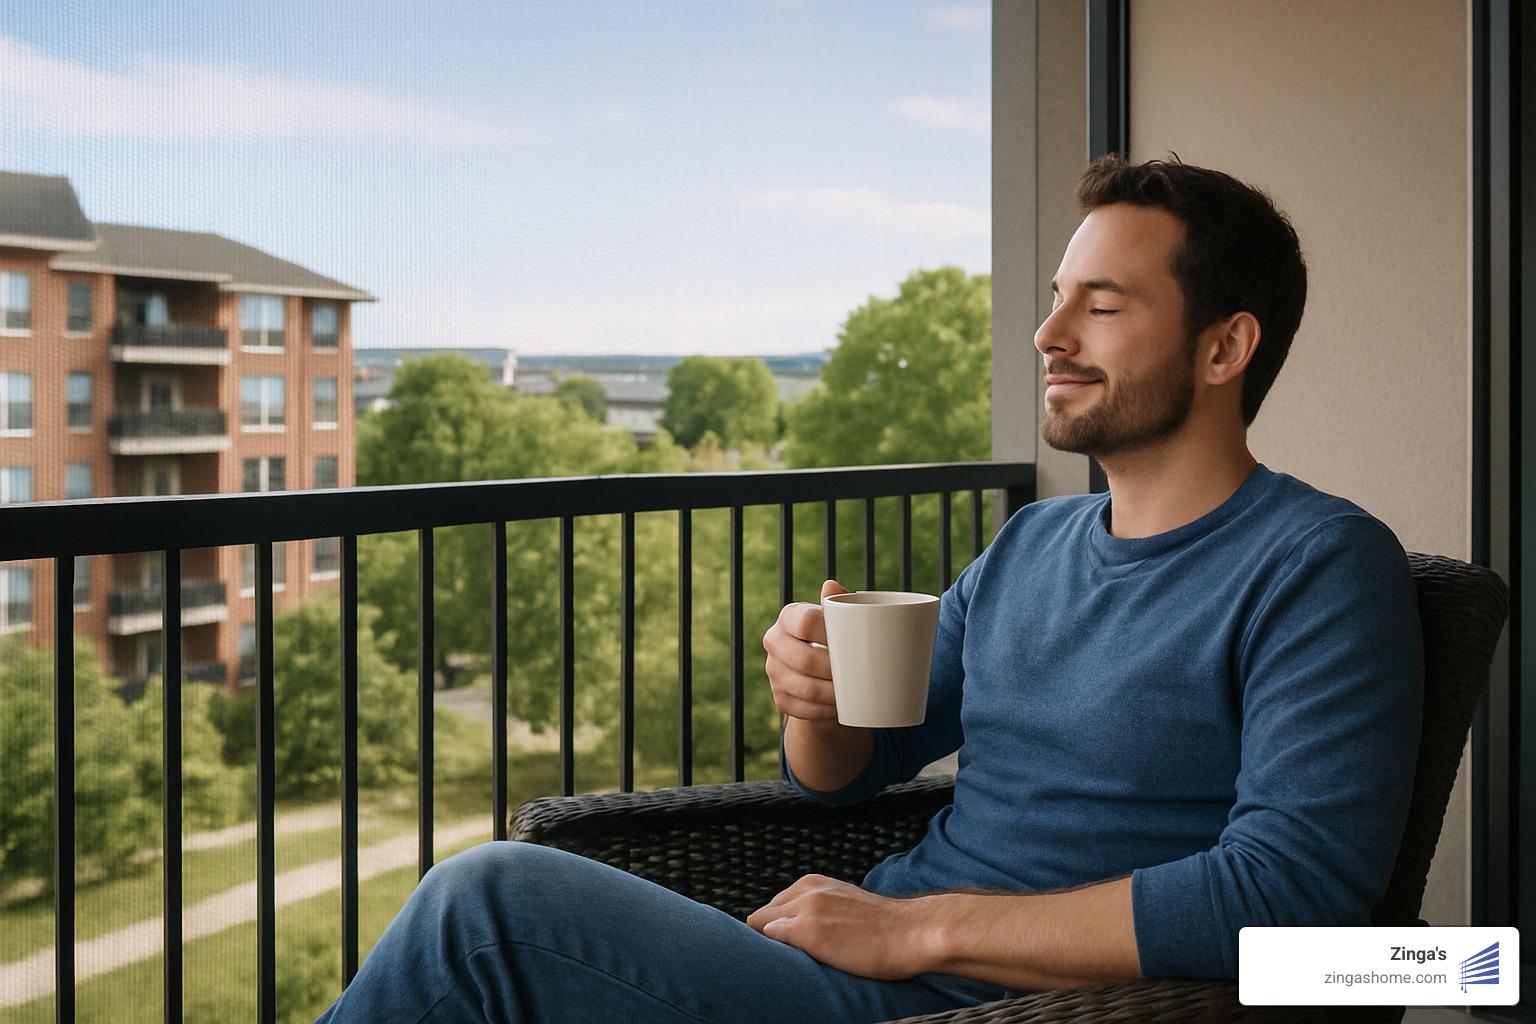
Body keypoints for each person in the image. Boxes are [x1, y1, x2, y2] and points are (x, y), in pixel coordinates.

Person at [315, 154, 1423, 1023]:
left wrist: (923, 930)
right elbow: (848, 775)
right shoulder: (1032, 545)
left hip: (973, 1000)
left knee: (490, 910)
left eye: (1102, 305)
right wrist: (818, 699)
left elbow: (1293, 904)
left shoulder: (1318, 567)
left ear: (1225, 347)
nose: (1047, 335)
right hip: (858, 958)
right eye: (1055, 300)